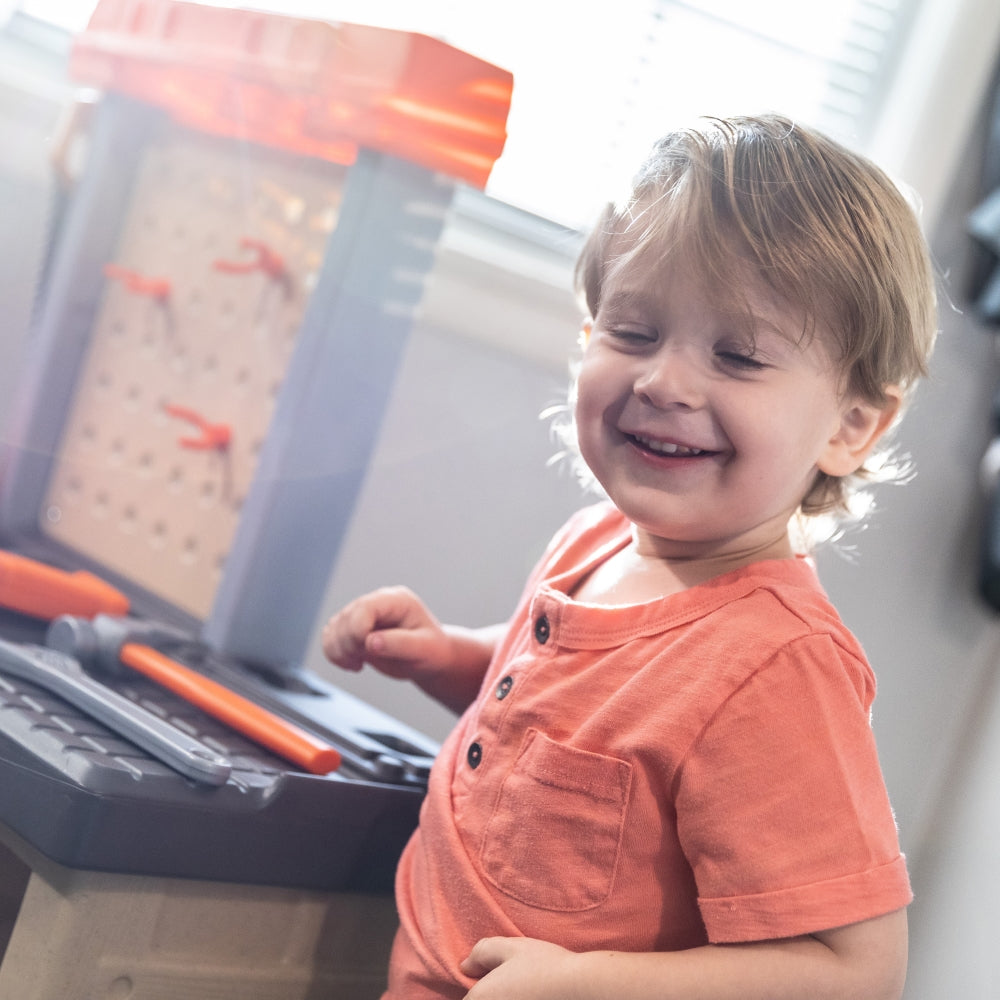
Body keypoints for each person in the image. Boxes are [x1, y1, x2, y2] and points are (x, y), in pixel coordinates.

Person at [322, 113, 938, 1000]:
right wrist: (449, 656)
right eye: (635, 333)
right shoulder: (594, 542)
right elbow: (567, 730)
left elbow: (856, 971)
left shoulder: (775, 667)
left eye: (738, 356)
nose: (664, 381)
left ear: (851, 426)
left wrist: (587, 983)